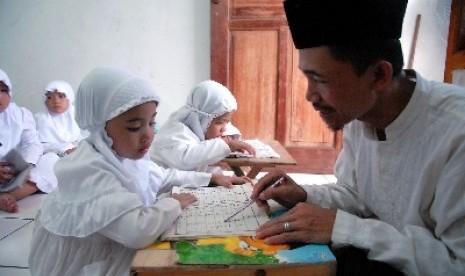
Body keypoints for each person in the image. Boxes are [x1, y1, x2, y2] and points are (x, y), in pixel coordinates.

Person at [251, 0, 465, 275]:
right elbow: (357, 196)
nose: (310, 96)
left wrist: (344, 228)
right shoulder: (359, 111)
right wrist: (306, 194)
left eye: (321, 79)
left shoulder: (456, 132)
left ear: (379, 75)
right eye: (308, 77)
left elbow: (457, 263)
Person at [28, 66, 252, 275]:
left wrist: (210, 178)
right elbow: (136, 231)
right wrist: (174, 203)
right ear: (99, 126)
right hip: (86, 261)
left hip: (116, 239)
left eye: (152, 123)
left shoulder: (124, 154)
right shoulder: (89, 168)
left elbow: (162, 176)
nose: (148, 135)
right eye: (134, 127)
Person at [150, 80, 255, 173]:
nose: (224, 128)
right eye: (219, 122)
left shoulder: (199, 129)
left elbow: (228, 131)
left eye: (226, 122)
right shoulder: (175, 132)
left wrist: (232, 139)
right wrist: (226, 144)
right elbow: (186, 159)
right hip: (163, 193)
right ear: (201, 119)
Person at [0, 69, 50, 213]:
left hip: (12, 173)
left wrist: (27, 165)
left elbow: (32, 144)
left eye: (3, 90)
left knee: (51, 163)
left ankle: (9, 196)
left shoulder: (20, 115)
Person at [34, 80, 88, 157]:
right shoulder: (39, 119)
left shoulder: (79, 115)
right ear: (45, 101)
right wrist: (64, 149)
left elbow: (87, 137)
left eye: (61, 96)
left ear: (69, 97)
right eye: (49, 98)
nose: (56, 101)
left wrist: (76, 148)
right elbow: (37, 145)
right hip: (51, 156)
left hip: (80, 153)